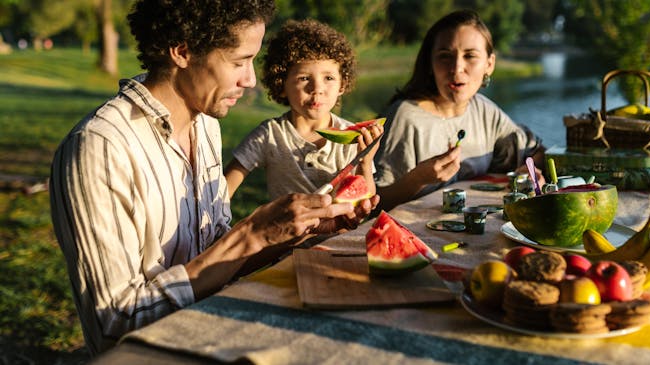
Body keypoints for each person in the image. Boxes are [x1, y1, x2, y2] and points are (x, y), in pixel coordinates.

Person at [49, 0, 378, 355]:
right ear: (182, 51)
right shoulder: (99, 148)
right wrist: (248, 236)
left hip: (215, 336)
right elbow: (113, 324)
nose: (250, 80)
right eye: (239, 62)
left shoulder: (205, 124)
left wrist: (296, 234)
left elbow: (215, 261)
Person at [374, 9, 545, 211]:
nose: (456, 68)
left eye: (470, 56)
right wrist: (418, 179)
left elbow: (534, 150)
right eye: (445, 56)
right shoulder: (405, 117)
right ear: (430, 64)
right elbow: (374, 204)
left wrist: (531, 170)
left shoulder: (483, 109)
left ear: (489, 65)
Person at [224, 19, 382, 200]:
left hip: (341, 229)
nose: (317, 88)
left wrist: (365, 161)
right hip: (285, 228)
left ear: (342, 86)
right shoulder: (269, 135)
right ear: (281, 85)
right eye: (304, 78)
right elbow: (225, 188)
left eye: (328, 78)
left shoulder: (352, 138)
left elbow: (365, 200)